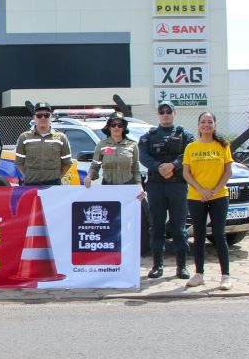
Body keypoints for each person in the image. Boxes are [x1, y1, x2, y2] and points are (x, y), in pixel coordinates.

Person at [139, 100, 195, 279]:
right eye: (161, 111)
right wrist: (159, 167)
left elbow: (189, 153)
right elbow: (143, 156)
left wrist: (173, 165)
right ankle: (157, 265)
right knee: (157, 227)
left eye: (168, 111)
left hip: (177, 185)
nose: (165, 114)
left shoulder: (184, 134)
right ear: (158, 114)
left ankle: (182, 266)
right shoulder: (149, 135)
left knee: (179, 227)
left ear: (174, 113)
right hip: (156, 185)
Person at [182, 112, 233, 290]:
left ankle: (225, 276)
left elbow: (228, 172)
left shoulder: (223, 145)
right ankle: (199, 274)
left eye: (210, 122)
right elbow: (186, 174)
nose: (206, 125)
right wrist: (201, 190)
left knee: (219, 235)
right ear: (198, 125)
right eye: (203, 122)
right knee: (199, 235)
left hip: (219, 196)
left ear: (215, 125)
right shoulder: (191, 147)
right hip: (196, 197)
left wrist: (215, 191)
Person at [84, 112, 143, 196]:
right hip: (108, 187)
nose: (116, 127)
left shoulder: (132, 145)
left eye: (120, 125)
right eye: (113, 124)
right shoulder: (101, 145)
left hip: (128, 186)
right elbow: (94, 166)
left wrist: (139, 187)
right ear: (109, 127)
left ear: (123, 128)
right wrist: (89, 177)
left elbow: (136, 170)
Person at [14, 102, 72, 186]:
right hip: (31, 185)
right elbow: (19, 162)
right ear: (34, 117)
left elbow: (67, 163)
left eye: (46, 115)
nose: (43, 118)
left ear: (51, 116)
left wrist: (58, 178)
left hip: (53, 186)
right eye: (39, 115)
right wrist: (29, 176)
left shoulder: (61, 138)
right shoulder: (24, 137)